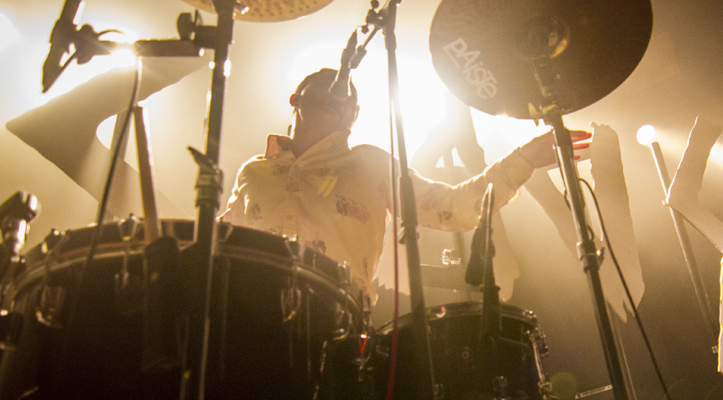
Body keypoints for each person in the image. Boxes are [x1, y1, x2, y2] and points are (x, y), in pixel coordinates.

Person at [223, 68, 586, 298]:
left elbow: (450, 207)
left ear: (353, 116)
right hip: (249, 313)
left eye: (348, 96)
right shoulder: (253, 172)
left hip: (335, 321)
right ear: (296, 99)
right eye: (325, 84)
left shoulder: (370, 163)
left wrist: (524, 159)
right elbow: (220, 241)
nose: (338, 92)